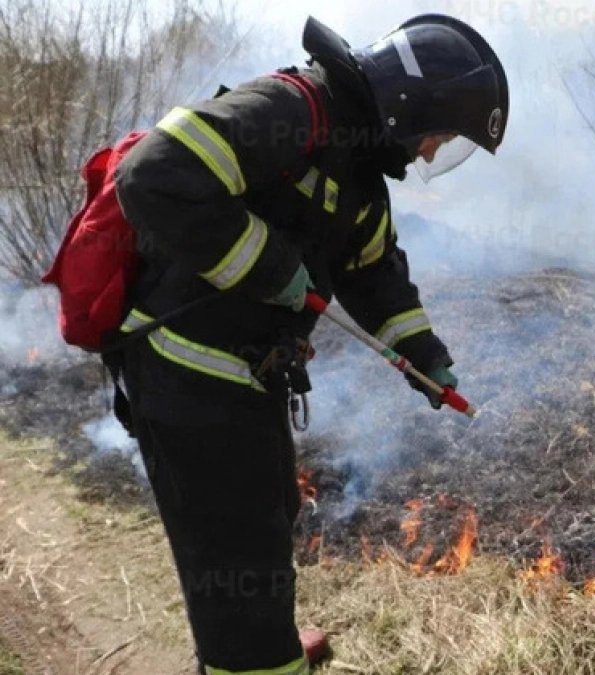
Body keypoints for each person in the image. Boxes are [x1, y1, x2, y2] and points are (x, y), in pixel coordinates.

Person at [111, 14, 508, 673]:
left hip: (247, 379)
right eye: (438, 134)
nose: (433, 152)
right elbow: (151, 172)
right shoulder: (290, 110)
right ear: (410, 106)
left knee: (270, 520)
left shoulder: (359, 174)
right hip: (187, 374)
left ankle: (253, 643)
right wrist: (268, 264)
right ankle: (257, 658)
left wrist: (425, 354)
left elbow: (372, 271)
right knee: (240, 561)